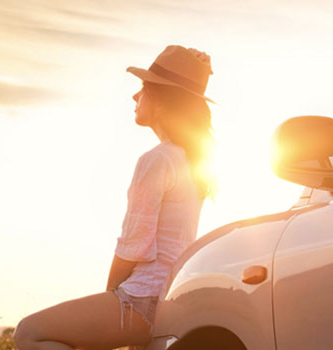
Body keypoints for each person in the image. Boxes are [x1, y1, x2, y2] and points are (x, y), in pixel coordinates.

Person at [13, 45, 215, 350]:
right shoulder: (193, 162)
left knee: (28, 332)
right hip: (170, 297)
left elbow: (134, 245)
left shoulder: (156, 160)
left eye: (143, 88)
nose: (135, 97)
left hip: (140, 300)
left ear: (163, 99)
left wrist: (111, 299)